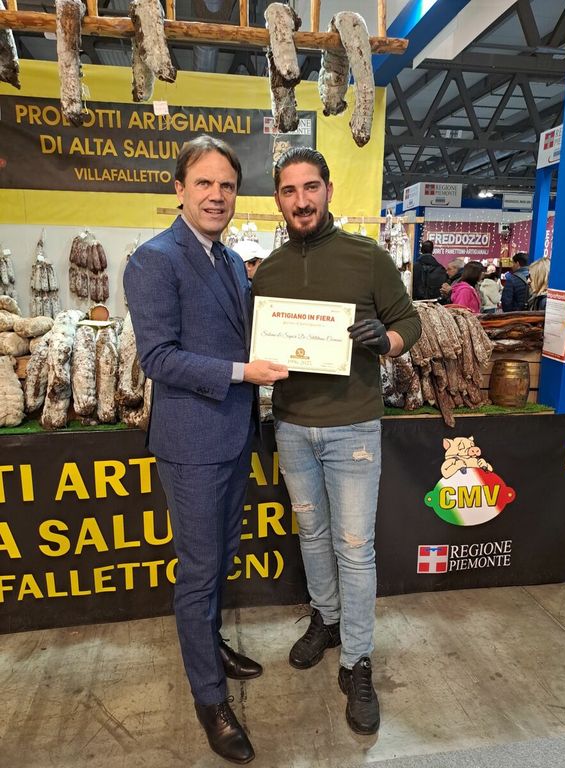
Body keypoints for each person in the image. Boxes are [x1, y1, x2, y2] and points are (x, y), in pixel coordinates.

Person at [124, 135, 288, 766]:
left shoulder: (229, 260)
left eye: (226, 185)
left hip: (233, 435)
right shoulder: (154, 260)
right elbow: (158, 358)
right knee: (198, 573)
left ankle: (210, 645)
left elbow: (244, 334)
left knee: (220, 558)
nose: (217, 195)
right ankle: (210, 699)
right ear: (179, 189)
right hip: (192, 442)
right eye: (204, 183)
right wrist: (244, 373)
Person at [252, 147, 421, 736]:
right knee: (313, 534)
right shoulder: (269, 271)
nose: (301, 200)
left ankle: (358, 660)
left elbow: (409, 323)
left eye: (310, 188)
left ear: (328, 190)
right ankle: (325, 620)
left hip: (353, 429)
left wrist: (386, 341)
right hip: (293, 425)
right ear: (278, 199)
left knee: (355, 547)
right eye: (289, 190)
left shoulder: (367, 257)